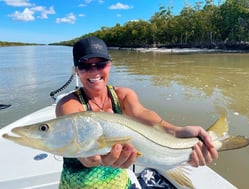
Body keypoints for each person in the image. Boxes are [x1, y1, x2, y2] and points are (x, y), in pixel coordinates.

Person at [56, 36, 218, 188]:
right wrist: (89, 159)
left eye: (101, 64)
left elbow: (144, 114)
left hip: (119, 182)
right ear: (77, 70)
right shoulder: (68, 104)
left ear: (109, 65)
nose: (94, 71)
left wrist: (177, 131)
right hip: (77, 184)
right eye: (85, 65)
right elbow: (79, 150)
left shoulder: (122, 95)